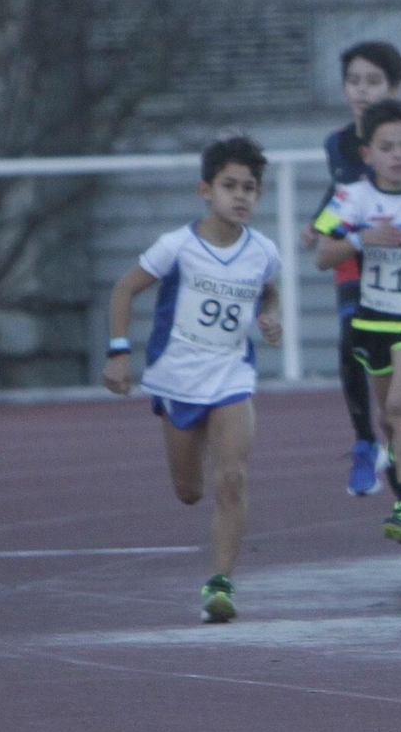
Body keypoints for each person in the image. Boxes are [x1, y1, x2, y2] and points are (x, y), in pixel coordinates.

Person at [103, 135, 283, 623]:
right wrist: (118, 352)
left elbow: (268, 291)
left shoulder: (263, 252)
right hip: (178, 377)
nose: (240, 196)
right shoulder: (177, 246)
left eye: (249, 188)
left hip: (231, 373)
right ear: (206, 190)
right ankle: (199, 447)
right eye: (230, 186)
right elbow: (124, 289)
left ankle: (220, 584)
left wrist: (270, 317)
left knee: (233, 477)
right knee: (189, 491)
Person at [301, 41, 401, 531]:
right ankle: (366, 442)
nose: (362, 91)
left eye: (373, 82)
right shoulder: (338, 143)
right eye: (354, 81)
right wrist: (321, 226)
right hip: (358, 263)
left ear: (394, 88)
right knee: (352, 343)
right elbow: (342, 191)